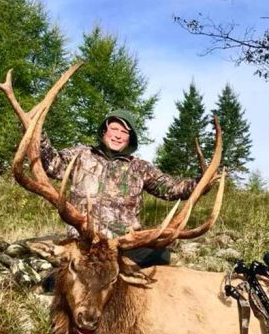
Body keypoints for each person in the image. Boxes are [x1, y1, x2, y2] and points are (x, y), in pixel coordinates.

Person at [39, 109, 213, 268]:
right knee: (52, 268)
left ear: (130, 139)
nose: (118, 136)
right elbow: (52, 164)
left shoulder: (139, 167)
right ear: (104, 131)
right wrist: (37, 134)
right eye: (114, 129)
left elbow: (172, 188)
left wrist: (201, 182)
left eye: (124, 132)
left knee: (161, 256)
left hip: (122, 245)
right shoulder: (81, 155)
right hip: (83, 241)